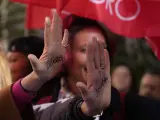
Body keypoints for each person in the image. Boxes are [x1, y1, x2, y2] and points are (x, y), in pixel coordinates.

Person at [1, 11, 160, 120]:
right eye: (85, 50)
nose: (94, 58)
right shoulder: (42, 100)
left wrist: (90, 111)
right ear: (67, 56)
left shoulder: (128, 105)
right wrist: (36, 79)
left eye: (101, 49)